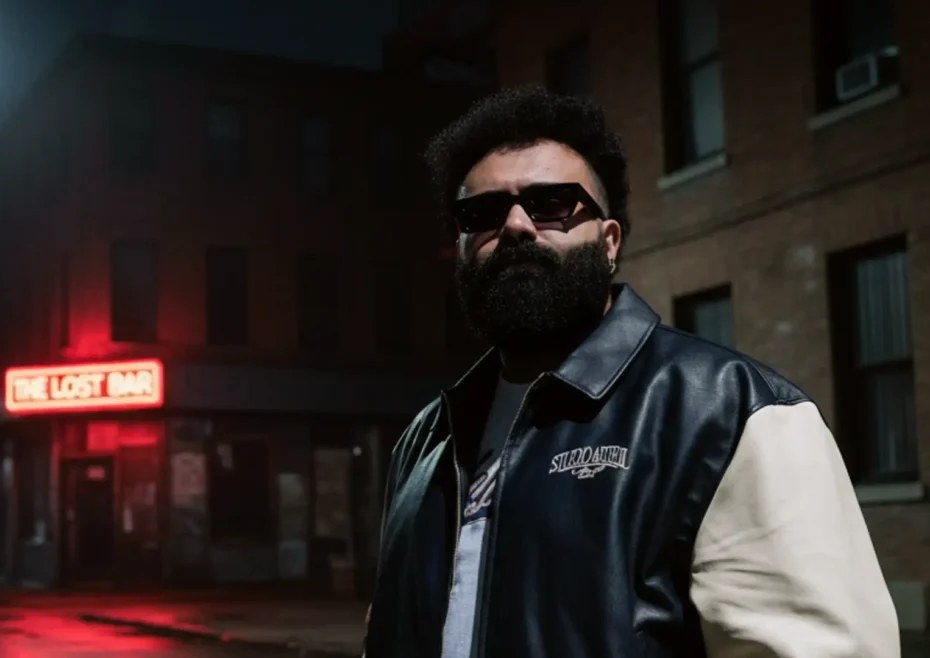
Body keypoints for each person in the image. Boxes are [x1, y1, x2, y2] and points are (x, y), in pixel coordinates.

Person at [362, 85, 900, 658]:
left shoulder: (732, 413)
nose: (516, 225)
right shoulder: (425, 441)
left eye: (552, 203)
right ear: (463, 245)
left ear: (610, 241)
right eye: (483, 213)